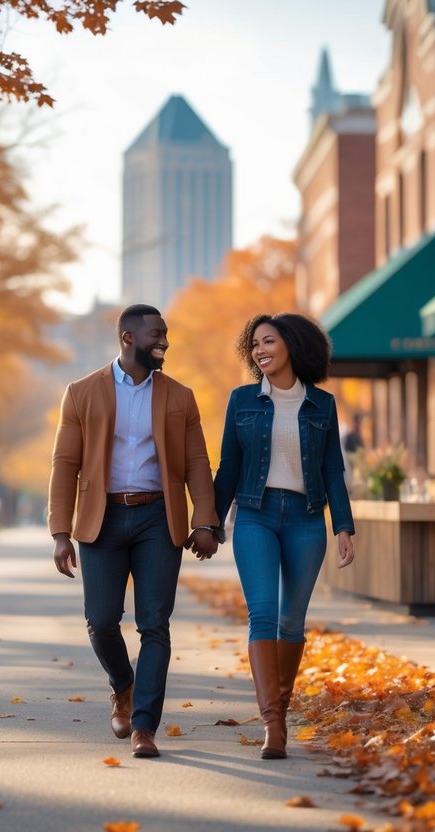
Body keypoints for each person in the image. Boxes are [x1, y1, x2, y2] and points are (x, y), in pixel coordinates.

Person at [48, 303, 220, 759]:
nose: (164, 341)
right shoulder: (82, 392)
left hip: (156, 519)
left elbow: (198, 463)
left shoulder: (179, 396)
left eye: (165, 333)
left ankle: (145, 725)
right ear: (128, 339)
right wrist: (60, 531)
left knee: (154, 625)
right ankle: (123, 683)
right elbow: (65, 463)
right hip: (100, 518)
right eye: (156, 334)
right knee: (101, 621)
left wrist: (205, 520)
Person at [213, 312, 355, 760]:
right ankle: (272, 725)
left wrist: (344, 526)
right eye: (254, 344)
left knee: (292, 621)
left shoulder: (323, 405)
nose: (260, 350)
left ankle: (283, 708)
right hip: (254, 515)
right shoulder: (242, 401)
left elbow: (333, 469)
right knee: (263, 614)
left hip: (306, 519)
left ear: (292, 344)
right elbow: (229, 469)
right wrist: (210, 522)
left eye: (268, 341)